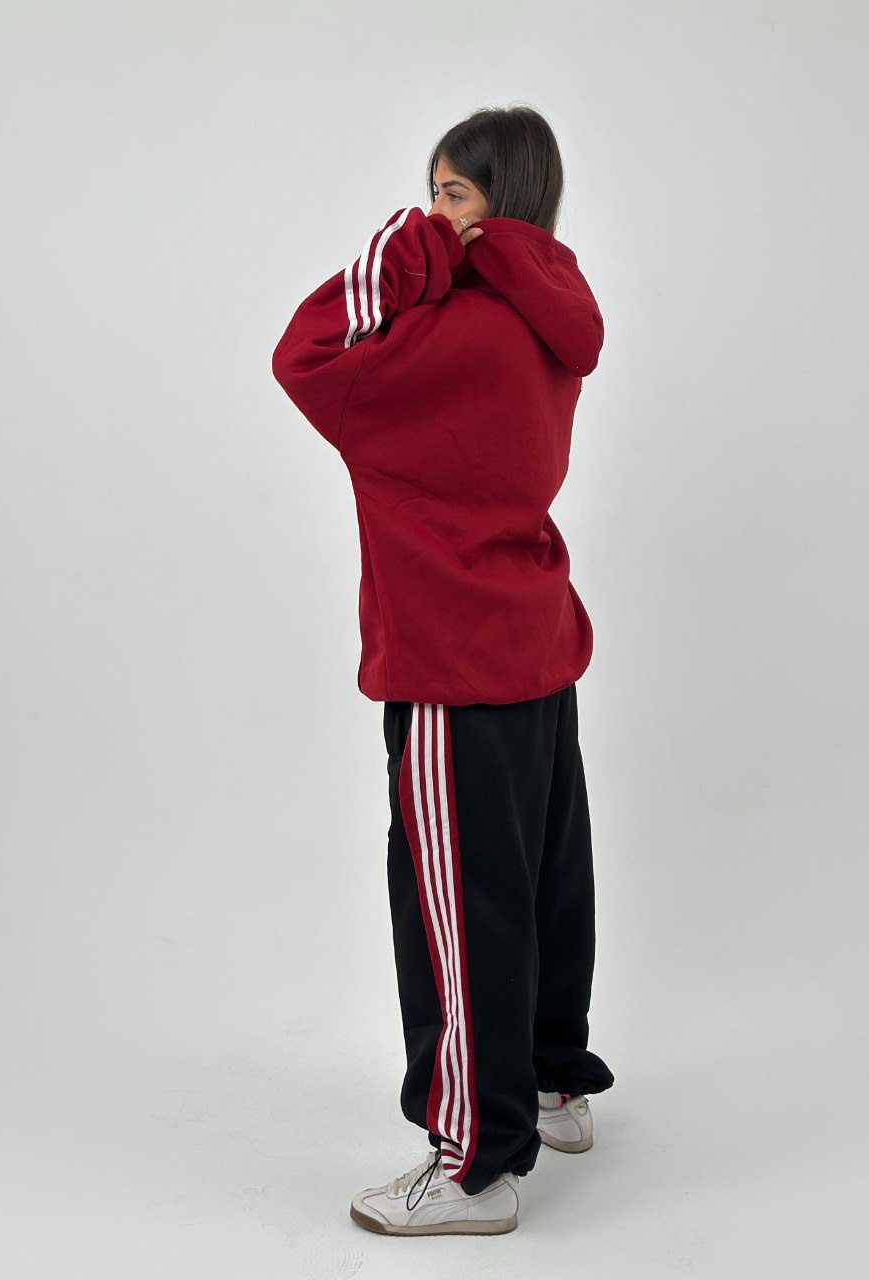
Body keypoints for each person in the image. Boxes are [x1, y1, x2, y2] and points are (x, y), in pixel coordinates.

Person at [271, 104, 615, 1236]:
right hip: (534, 639)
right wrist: (465, 245)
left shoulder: (443, 337)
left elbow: (304, 354)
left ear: (497, 205)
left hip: (451, 658)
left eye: (453, 195)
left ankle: (473, 1163)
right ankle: (552, 1081)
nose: (433, 213)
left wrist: (410, 249)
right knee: (542, 877)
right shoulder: (551, 318)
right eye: (429, 195)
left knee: (457, 914)